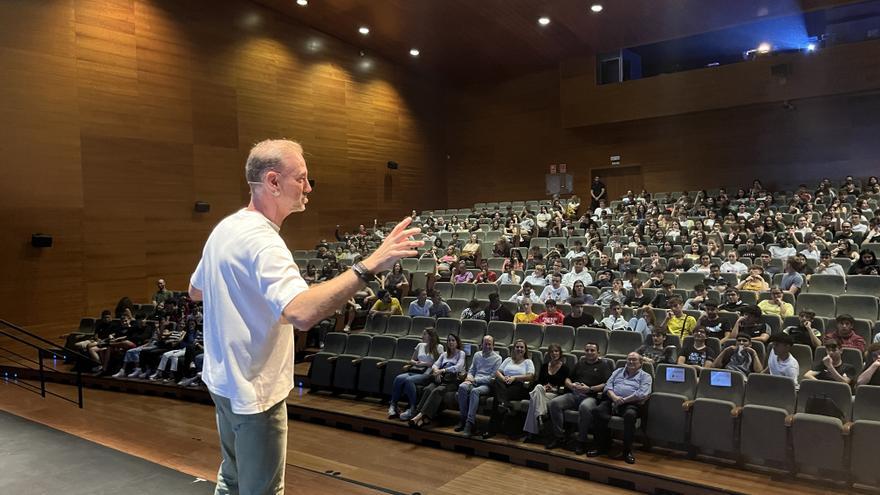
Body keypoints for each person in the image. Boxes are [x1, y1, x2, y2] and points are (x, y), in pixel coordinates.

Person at [188, 139, 421, 495]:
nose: (308, 188)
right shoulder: (264, 242)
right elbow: (302, 313)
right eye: (302, 178)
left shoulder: (225, 229)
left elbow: (196, 291)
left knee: (231, 480)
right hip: (256, 394)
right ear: (273, 182)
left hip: (223, 384)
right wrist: (370, 264)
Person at [546, 343, 613, 454]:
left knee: (584, 407)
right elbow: (567, 379)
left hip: (592, 396)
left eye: (592, 350)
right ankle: (559, 437)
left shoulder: (604, 365)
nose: (589, 352)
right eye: (587, 350)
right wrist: (571, 385)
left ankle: (581, 441)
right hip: (575, 394)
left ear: (598, 353)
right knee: (554, 403)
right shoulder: (580, 364)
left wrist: (590, 389)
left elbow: (607, 384)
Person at [588, 352, 652, 464]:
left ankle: (627, 451)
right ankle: (602, 446)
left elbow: (642, 394)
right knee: (597, 412)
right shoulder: (618, 371)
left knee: (630, 416)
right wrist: (614, 397)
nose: (631, 362)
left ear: (641, 363)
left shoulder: (645, 376)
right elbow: (608, 386)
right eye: (629, 359)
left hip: (631, 403)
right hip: (612, 400)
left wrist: (623, 400)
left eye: (634, 360)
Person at [408, 334, 466, 429]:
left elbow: (458, 367)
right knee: (428, 389)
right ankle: (423, 418)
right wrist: (436, 371)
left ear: (457, 342)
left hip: (452, 381)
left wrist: (442, 370)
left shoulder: (461, 353)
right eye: (449, 340)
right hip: (440, 379)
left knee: (437, 391)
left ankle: (419, 416)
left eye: (453, 340)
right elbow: (435, 364)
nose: (451, 342)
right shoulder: (444, 354)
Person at [483, 339, 536, 439]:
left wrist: (515, 378)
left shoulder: (528, 361)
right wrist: (503, 378)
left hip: (519, 386)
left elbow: (530, 376)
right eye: (517, 347)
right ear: (513, 348)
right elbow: (498, 372)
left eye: (521, 347)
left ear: (525, 350)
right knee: (497, 382)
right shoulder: (508, 360)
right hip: (504, 384)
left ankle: (491, 429)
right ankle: (503, 404)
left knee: (497, 399)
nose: (519, 349)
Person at [389, 328, 443, 420]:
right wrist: (416, 363)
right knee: (398, 378)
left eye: (424, 334)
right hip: (415, 370)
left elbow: (440, 363)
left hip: (428, 373)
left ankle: (413, 408)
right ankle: (393, 405)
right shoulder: (420, 345)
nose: (422, 336)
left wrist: (424, 364)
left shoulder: (439, 347)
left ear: (431, 336)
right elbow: (411, 360)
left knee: (408, 380)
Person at [457, 335, 502, 438]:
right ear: (482, 344)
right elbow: (472, 370)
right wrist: (469, 378)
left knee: (475, 392)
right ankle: (463, 419)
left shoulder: (498, 358)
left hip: (486, 385)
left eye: (489, 344)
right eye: (485, 344)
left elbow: (492, 378)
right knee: (462, 387)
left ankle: (469, 423)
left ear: (493, 345)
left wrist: (475, 380)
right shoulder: (477, 355)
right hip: (473, 381)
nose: (487, 346)